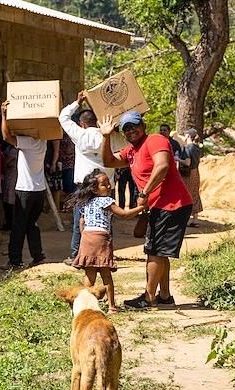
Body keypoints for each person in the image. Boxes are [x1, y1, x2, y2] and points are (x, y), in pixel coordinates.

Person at [100, 111, 193, 309]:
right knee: (160, 252)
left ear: (143, 125)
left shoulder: (155, 140)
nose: (131, 130)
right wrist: (106, 136)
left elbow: (163, 166)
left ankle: (149, 298)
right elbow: (108, 162)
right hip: (159, 206)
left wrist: (144, 193)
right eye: (126, 128)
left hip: (172, 204)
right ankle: (165, 296)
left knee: (155, 252)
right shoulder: (131, 151)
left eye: (134, 126)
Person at [71, 169, 147, 313]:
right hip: (100, 238)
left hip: (87, 238)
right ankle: (112, 307)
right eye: (104, 185)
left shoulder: (86, 203)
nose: (109, 186)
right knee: (106, 274)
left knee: (89, 274)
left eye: (108, 183)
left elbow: (81, 222)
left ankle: (87, 305)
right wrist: (141, 208)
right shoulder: (106, 201)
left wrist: (85, 237)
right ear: (94, 189)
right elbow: (124, 215)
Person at [58, 90, 116, 265]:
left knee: (80, 220)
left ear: (82, 124)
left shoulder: (80, 135)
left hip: (85, 186)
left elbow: (63, 118)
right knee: (106, 220)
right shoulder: (110, 136)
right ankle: (106, 254)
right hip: (106, 186)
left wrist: (78, 102)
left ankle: (77, 254)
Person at [0, 100, 47, 270]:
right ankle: (37, 255)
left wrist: (5, 115)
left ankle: (15, 260)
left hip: (25, 190)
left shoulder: (29, 142)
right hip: (39, 190)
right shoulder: (42, 141)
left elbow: (6, 137)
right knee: (32, 224)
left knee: (18, 226)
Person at [182, 128, 204, 227]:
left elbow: (187, 162)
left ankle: (185, 219)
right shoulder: (197, 147)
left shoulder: (187, 147)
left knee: (186, 195)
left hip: (188, 173)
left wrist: (177, 159)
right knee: (195, 194)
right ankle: (195, 220)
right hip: (196, 172)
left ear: (187, 136)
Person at [45, 139, 63, 212]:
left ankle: (56, 208)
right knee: (48, 186)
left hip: (54, 163)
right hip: (46, 162)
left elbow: (56, 150)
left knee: (56, 187)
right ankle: (48, 207)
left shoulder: (55, 136)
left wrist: (53, 164)